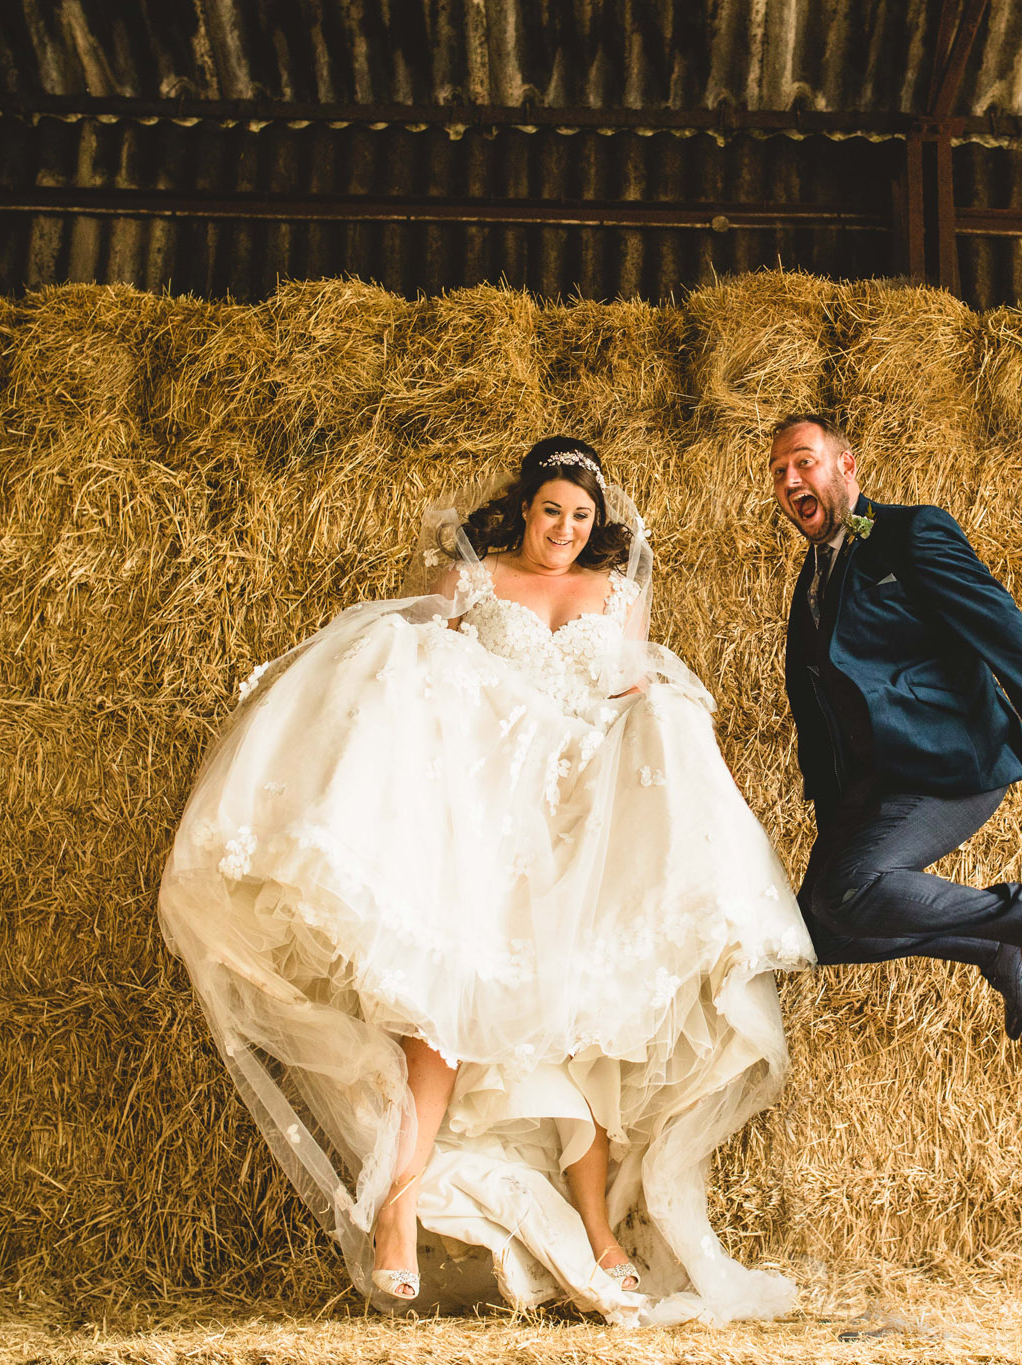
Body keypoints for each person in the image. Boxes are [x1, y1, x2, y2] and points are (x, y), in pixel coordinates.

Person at [158, 437, 813, 1326]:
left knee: (582, 1015)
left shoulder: (616, 594)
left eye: (582, 519)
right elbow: (420, 684)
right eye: (552, 511)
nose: (566, 532)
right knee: (445, 1015)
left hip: (578, 820)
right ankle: (397, 1208)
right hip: (480, 820)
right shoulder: (472, 581)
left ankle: (597, 1227)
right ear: (524, 508)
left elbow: (626, 697)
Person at [767, 413, 1022, 1041]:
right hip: (877, 787)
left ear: (846, 466)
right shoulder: (816, 575)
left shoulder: (905, 533)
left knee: (847, 892)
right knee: (818, 932)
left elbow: (997, 622)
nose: (790, 478)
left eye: (804, 461)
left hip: (952, 763)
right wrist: (837, 820)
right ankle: (988, 946)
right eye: (779, 471)